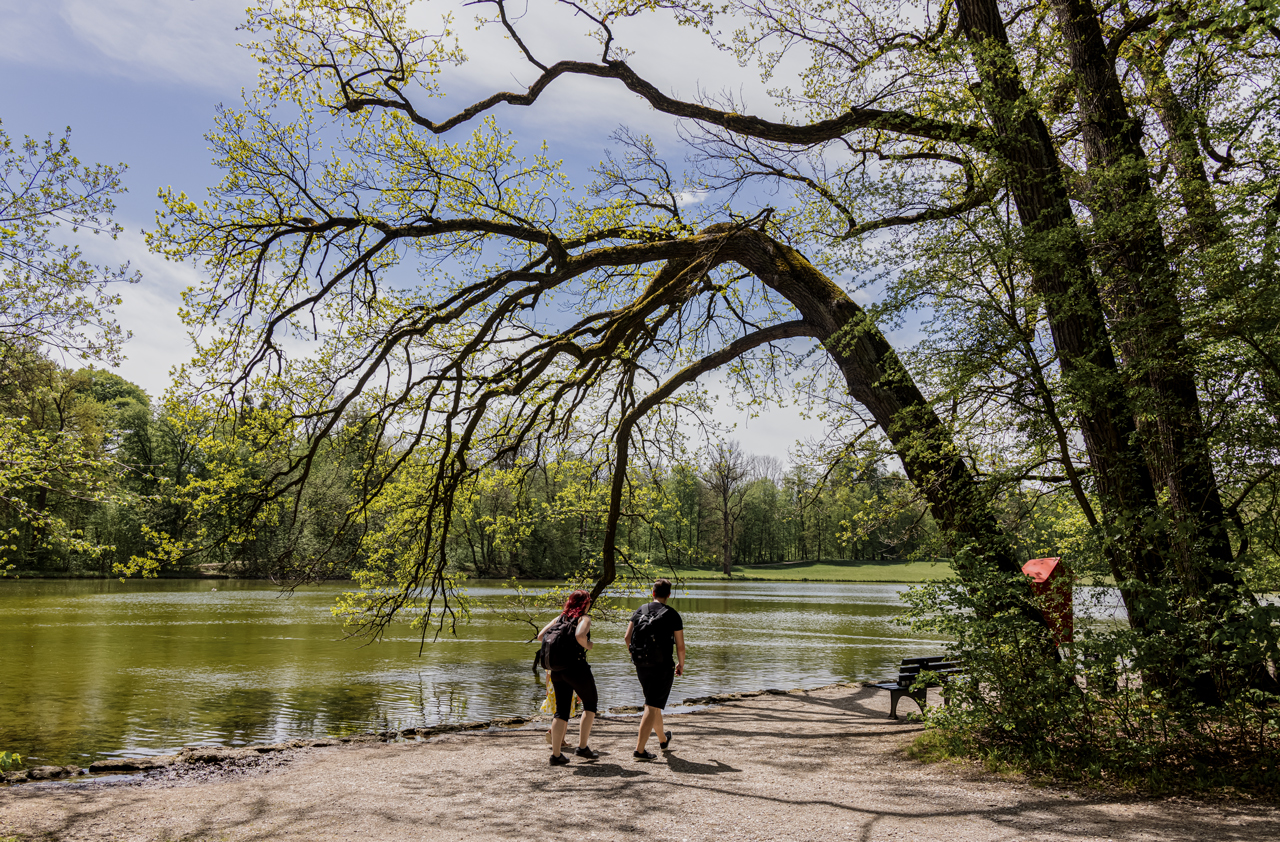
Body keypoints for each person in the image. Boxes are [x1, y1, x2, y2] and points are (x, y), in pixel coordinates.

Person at [623, 578, 685, 760]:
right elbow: (680, 646)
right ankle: (639, 751)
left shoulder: (640, 610)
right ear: (669, 595)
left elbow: (627, 637)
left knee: (653, 703)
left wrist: (634, 655)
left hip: (641, 663)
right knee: (651, 705)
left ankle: (663, 740)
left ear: (653, 593)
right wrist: (681, 664)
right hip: (662, 665)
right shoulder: (672, 614)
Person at [535, 590, 599, 765]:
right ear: (584, 603)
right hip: (576, 668)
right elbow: (580, 635)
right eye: (588, 602)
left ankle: (556, 755)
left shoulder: (560, 618)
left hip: (557, 670)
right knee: (590, 704)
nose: (589, 605)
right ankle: (583, 747)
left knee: (561, 711)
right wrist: (589, 645)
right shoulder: (584, 618)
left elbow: (541, 636)